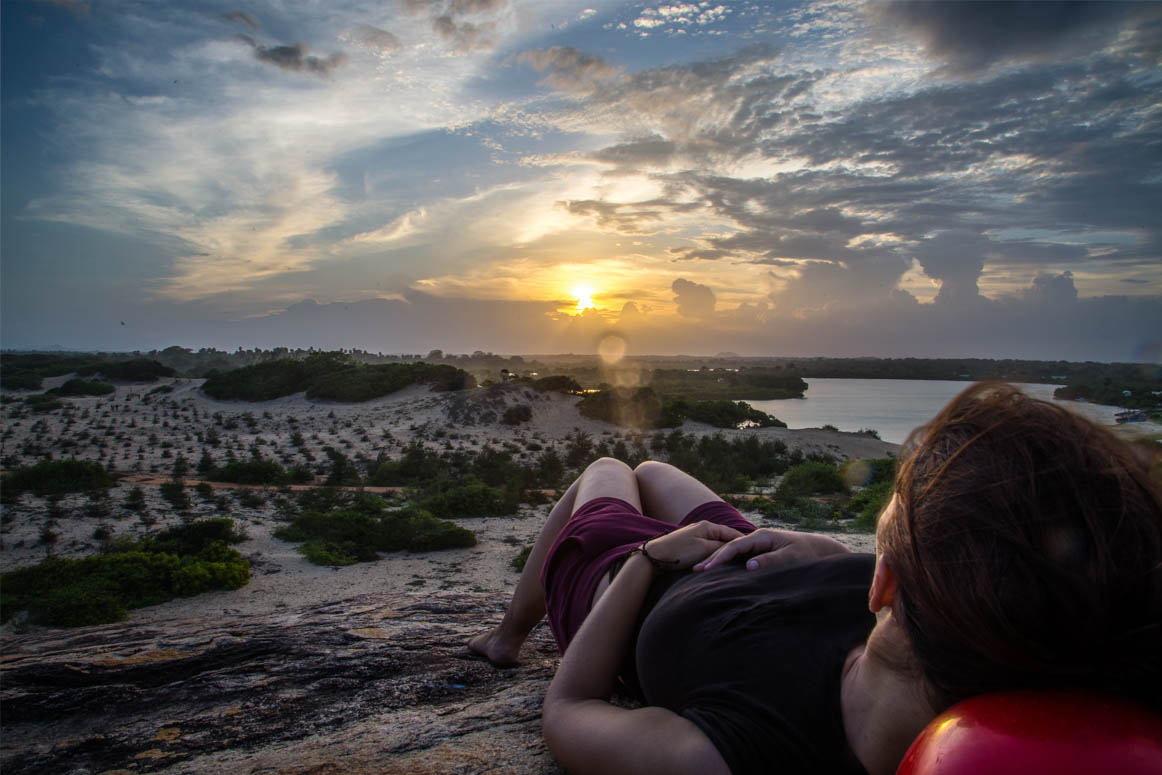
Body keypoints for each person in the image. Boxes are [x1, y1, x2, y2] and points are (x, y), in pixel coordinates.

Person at [468, 383, 1162, 775]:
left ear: (884, 582)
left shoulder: (746, 753)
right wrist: (818, 546)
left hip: (633, 589)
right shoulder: (989, 629)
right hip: (743, 551)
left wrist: (648, 561)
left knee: (609, 470)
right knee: (655, 473)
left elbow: (567, 711)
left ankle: (507, 636)